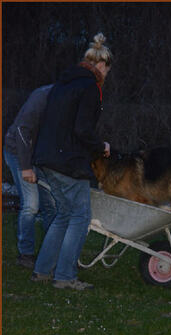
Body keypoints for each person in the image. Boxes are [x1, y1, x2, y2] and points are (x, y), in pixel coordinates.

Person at [31, 33, 112, 290]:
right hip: (68, 162)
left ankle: (43, 271)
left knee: (64, 215)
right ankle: (65, 276)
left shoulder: (62, 84)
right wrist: (102, 147)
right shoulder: (90, 87)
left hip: (46, 159)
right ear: (102, 65)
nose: (107, 75)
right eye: (107, 70)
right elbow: (82, 130)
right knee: (80, 216)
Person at [4, 85, 57, 268]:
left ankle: (52, 253)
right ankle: (25, 255)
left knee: (51, 205)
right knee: (31, 205)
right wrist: (26, 168)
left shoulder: (69, 100)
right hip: (18, 152)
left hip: (38, 156)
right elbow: (22, 130)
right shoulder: (42, 97)